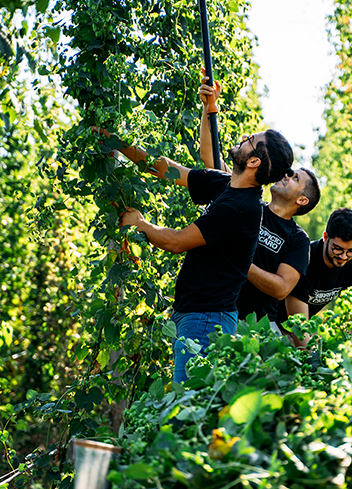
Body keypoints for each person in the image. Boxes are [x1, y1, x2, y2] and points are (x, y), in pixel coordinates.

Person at [93, 108, 294, 382]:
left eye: (250, 140)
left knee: (187, 405)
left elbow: (177, 242)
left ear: (254, 161)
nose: (244, 137)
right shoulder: (225, 184)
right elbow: (166, 168)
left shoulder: (241, 208)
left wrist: (141, 224)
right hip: (195, 314)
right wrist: (117, 142)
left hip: (207, 320)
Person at [199, 78, 321, 327]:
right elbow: (211, 159)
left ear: (302, 199)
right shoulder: (248, 204)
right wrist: (208, 108)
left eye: (294, 177)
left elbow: (281, 289)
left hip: (259, 331)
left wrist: (240, 261)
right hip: (219, 315)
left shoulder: (297, 239)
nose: (286, 175)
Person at [278, 207, 352, 346]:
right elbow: (298, 327)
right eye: (337, 248)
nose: (343, 256)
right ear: (325, 237)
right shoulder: (306, 259)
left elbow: (351, 316)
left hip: (305, 328)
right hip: (276, 323)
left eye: (351, 251)